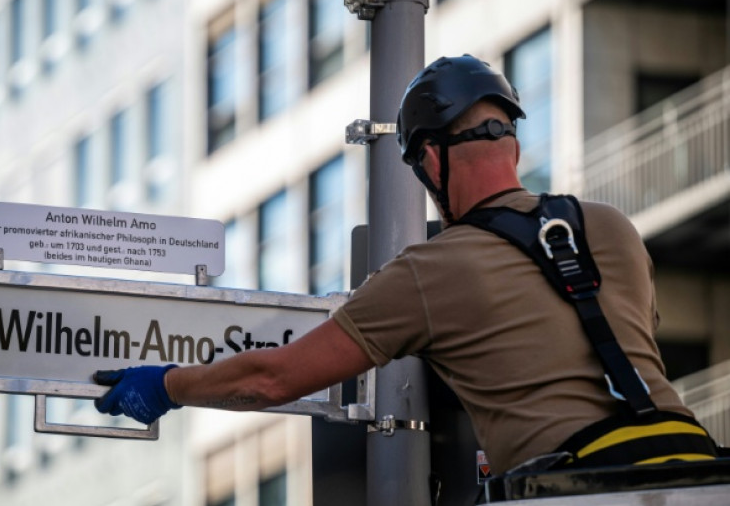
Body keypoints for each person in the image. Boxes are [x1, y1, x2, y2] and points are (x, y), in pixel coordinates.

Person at [93, 54, 719, 476]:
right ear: (513, 141)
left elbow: (272, 379)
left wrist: (168, 385)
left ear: (430, 159)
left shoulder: (430, 270)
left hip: (575, 484)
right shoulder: (611, 226)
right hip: (694, 466)